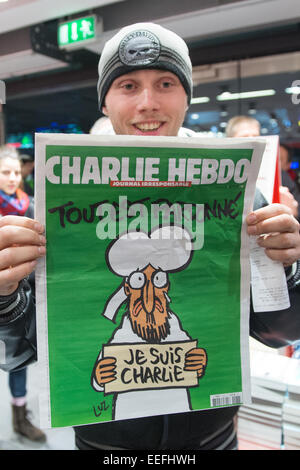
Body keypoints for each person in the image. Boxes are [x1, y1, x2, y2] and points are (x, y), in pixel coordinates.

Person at [0, 22, 300, 450]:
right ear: (106, 101)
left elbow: (277, 330)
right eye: (127, 85)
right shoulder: (54, 203)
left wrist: (287, 268)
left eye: (165, 83)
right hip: (105, 445)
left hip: (212, 442)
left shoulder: (238, 193)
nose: (148, 103)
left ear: (186, 96)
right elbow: (20, 352)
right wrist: (5, 295)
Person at [0, 145, 45, 442]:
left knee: (20, 359)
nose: (13, 177)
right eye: (6, 172)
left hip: (19, 293)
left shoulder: (28, 205)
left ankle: (20, 416)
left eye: (16, 172)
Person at [226, 116, 299, 218]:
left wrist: (293, 212)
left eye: (256, 136)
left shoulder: (278, 174)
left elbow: (295, 212)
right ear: (229, 141)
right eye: (245, 137)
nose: (252, 141)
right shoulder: (221, 174)